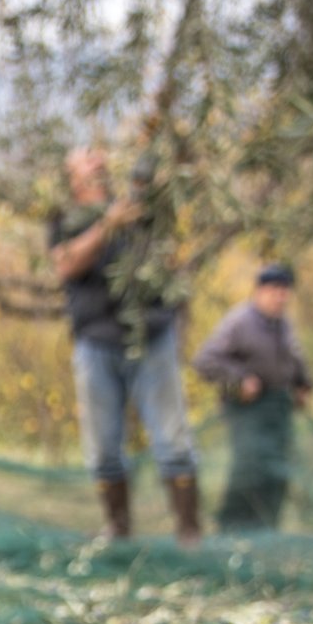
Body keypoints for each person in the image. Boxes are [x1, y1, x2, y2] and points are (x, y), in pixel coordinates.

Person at [47, 146, 201, 546]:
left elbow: (169, 245)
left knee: (172, 439)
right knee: (102, 448)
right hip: (95, 342)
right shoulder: (65, 220)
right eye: (87, 162)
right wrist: (107, 227)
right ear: (73, 176)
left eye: (101, 161)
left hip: (151, 336)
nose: (98, 166)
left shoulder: (138, 208)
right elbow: (65, 264)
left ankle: (189, 533)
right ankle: (118, 530)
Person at [192, 263, 313, 532]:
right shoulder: (239, 322)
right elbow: (205, 360)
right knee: (249, 471)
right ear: (259, 292)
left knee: (278, 471)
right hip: (247, 409)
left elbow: (294, 360)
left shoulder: (283, 325)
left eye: (284, 291)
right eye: (274, 291)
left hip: (279, 409)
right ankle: (231, 529)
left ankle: (267, 528)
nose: (280, 297)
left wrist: (304, 384)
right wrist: (239, 380)